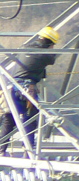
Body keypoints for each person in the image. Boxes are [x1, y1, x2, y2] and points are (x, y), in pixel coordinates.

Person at [0, 26, 59, 156]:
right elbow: (52, 59)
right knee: (30, 119)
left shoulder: (24, 48)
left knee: (9, 119)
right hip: (26, 90)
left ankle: (1, 150)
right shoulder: (44, 55)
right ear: (49, 43)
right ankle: (29, 151)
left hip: (11, 88)